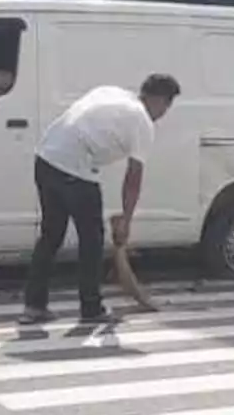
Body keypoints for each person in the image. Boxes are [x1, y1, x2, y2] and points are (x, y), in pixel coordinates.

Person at [19, 73, 181, 325]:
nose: (163, 114)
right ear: (160, 101)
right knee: (92, 239)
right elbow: (133, 178)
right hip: (75, 166)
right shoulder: (141, 121)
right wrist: (126, 221)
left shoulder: (110, 92)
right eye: (166, 107)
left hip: (45, 159)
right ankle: (91, 308)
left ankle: (33, 306)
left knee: (51, 235)